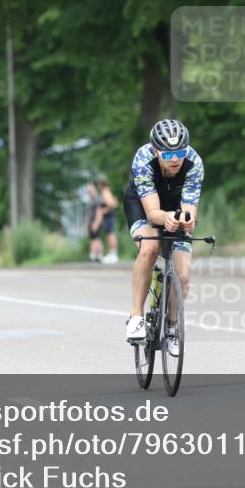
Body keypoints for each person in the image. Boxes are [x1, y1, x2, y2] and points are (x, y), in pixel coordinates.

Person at [122, 119, 204, 356]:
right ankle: (136, 316)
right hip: (143, 205)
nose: (175, 159)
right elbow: (152, 213)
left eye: (180, 152)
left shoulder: (194, 163)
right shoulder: (143, 159)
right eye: (168, 154)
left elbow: (189, 209)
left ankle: (171, 327)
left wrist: (188, 219)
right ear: (156, 151)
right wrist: (166, 217)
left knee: (183, 276)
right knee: (149, 248)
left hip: (175, 206)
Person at [96, 176, 119, 264]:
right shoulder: (107, 191)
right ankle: (112, 253)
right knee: (109, 234)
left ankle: (113, 254)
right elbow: (115, 203)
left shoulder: (105, 192)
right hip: (109, 217)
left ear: (101, 184)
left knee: (110, 235)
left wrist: (104, 211)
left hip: (108, 217)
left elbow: (112, 204)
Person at [84, 183, 104, 262]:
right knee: (93, 239)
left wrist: (96, 224)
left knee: (96, 239)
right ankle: (94, 255)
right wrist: (86, 225)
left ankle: (98, 255)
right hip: (90, 223)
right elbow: (88, 214)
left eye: (90, 190)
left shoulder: (97, 199)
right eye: (88, 191)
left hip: (95, 223)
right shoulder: (90, 201)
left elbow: (99, 213)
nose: (89, 192)